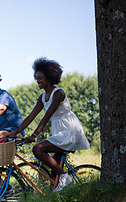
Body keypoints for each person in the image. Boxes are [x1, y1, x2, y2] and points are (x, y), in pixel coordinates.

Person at [8, 57, 90, 192]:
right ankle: (63, 193)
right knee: (54, 173)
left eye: (40, 78)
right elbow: (31, 116)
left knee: (38, 149)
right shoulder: (42, 97)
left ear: (49, 78)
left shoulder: (58, 93)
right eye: (36, 78)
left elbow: (47, 116)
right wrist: (16, 132)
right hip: (58, 130)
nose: (37, 81)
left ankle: (65, 176)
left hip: (69, 129)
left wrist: (34, 135)